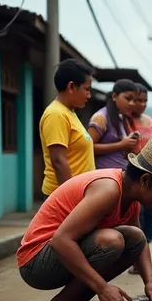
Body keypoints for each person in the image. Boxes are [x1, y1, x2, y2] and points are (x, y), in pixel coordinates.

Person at [17, 138, 152, 301]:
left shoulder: (131, 197)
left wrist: (149, 282)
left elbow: (140, 242)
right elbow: (60, 241)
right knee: (111, 241)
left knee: (134, 238)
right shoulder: (108, 189)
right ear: (145, 180)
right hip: (36, 261)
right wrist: (103, 288)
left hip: (59, 256)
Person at [39, 59, 95, 198]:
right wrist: (71, 198)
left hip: (79, 193)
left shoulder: (69, 112)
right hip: (64, 197)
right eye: (86, 89)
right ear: (71, 87)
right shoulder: (56, 114)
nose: (89, 95)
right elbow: (58, 160)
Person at [128, 84, 152, 275]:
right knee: (138, 217)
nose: (141, 104)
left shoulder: (150, 121)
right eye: (137, 100)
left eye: (144, 100)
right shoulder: (125, 121)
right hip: (135, 178)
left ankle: (145, 260)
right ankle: (137, 262)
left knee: (149, 217)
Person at [88, 79, 139, 169]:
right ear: (114, 96)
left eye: (134, 100)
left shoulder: (122, 117)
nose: (132, 103)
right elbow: (89, 147)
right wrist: (121, 145)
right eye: (127, 98)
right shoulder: (101, 117)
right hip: (104, 176)